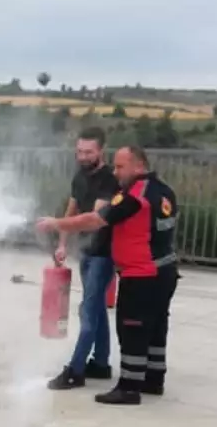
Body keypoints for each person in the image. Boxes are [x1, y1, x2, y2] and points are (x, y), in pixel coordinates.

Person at [37, 145, 179, 405]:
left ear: (139, 166)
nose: (116, 172)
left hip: (142, 274)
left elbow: (94, 219)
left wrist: (57, 223)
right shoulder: (164, 191)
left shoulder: (136, 195)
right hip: (165, 271)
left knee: (132, 330)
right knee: (156, 328)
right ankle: (153, 380)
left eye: (120, 167)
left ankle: (128, 387)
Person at [47, 127, 119, 390]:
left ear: (101, 151)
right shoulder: (80, 177)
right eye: (79, 151)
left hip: (104, 254)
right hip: (88, 253)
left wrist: (55, 223)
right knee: (97, 307)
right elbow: (72, 209)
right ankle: (100, 363)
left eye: (89, 152)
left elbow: (94, 220)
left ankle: (76, 370)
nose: (83, 156)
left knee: (88, 311)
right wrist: (62, 244)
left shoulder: (109, 180)